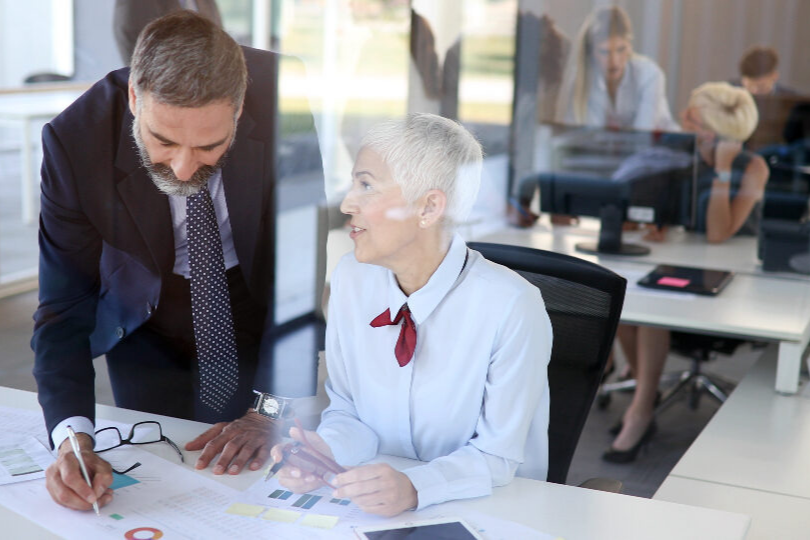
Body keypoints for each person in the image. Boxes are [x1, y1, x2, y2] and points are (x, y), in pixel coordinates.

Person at [32, 12, 319, 511]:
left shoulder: (283, 95)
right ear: (135, 100)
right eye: (163, 142)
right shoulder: (74, 141)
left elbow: (300, 265)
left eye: (210, 146)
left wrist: (270, 409)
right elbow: (63, 305)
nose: (186, 168)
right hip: (143, 316)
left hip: (251, 295)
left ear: (240, 108)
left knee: (257, 478)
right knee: (162, 475)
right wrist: (73, 442)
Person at [270, 113, 553, 516]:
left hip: (491, 510)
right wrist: (325, 448)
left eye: (366, 185)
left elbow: (499, 457)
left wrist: (415, 488)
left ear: (428, 207)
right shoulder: (352, 278)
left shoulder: (511, 306)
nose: (347, 203)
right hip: (376, 506)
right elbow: (349, 410)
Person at [605, 82, 768, 463]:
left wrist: (724, 169)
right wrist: (652, 220)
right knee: (625, 308)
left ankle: (641, 411)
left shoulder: (752, 167)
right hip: (681, 263)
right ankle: (647, 391)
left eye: (692, 116)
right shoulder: (682, 154)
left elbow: (718, 233)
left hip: (730, 281)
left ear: (710, 128)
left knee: (651, 311)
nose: (683, 119)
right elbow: (653, 204)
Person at [556, 6, 677, 131]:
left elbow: (643, 136)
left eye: (621, 49)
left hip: (660, 147)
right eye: (604, 52)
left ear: (629, 45)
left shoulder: (650, 75)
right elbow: (585, 136)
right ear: (591, 52)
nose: (614, 61)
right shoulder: (582, 81)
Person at [113, 0, 223, 65]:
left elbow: (219, 44)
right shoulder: (138, 4)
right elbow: (141, 65)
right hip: (168, 96)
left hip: (211, 93)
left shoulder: (206, 3)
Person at [732, 45, 797, 97]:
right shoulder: (730, 94)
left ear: (774, 76)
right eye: (749, 87)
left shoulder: (792, 99)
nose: (754, 92)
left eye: (761, 87)